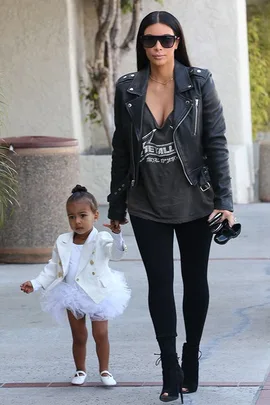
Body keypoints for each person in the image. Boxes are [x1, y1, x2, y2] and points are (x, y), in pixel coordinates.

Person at [107, 10, 234, 404]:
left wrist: (226, 203)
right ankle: (169, 365)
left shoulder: (199, 84)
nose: (157, 47)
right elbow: (120, 150)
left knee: (195, 283)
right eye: (149, 40)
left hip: (196, 200)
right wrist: (116, 203)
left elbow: (216, 143)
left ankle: (190, 357)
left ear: (177, 42)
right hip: (146, 201)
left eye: (165, 39)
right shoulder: (128, 88)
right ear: (142, 45)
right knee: (160, 284)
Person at [20, 185, 130, 387]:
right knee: (79, 336)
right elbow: (53, 267)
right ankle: (80, 369)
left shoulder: (102, 238)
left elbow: (116, 255)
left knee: (101, 334)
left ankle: (105, 370)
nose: (77, 221)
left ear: (95, 215)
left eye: (82, 215)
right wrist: (35, 284)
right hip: (72, 293)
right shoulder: (63, 241)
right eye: (71, 217)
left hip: (98, 292)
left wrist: (116, 235)